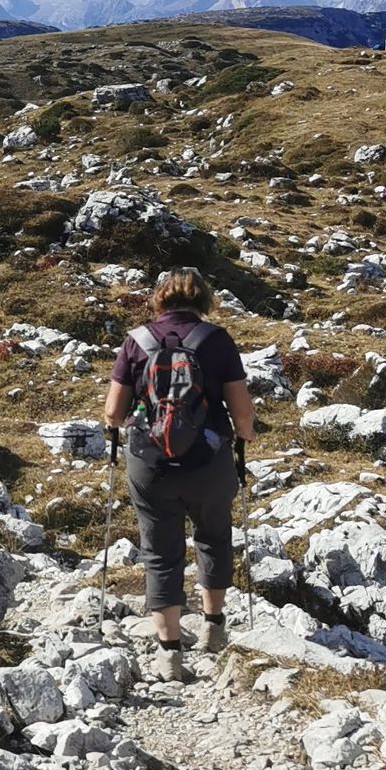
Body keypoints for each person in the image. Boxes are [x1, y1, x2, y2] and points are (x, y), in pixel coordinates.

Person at [103, 264, 256, 675]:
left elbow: (113, 413)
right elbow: (242, 416)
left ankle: (169, 652)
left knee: (159, 551)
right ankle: (213, 628)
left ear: (160, 300)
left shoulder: (136, 342)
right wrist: (243, 437)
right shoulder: (218, 341)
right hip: (209, 459)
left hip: (151, 463)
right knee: (213, 536)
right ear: (203, 300)